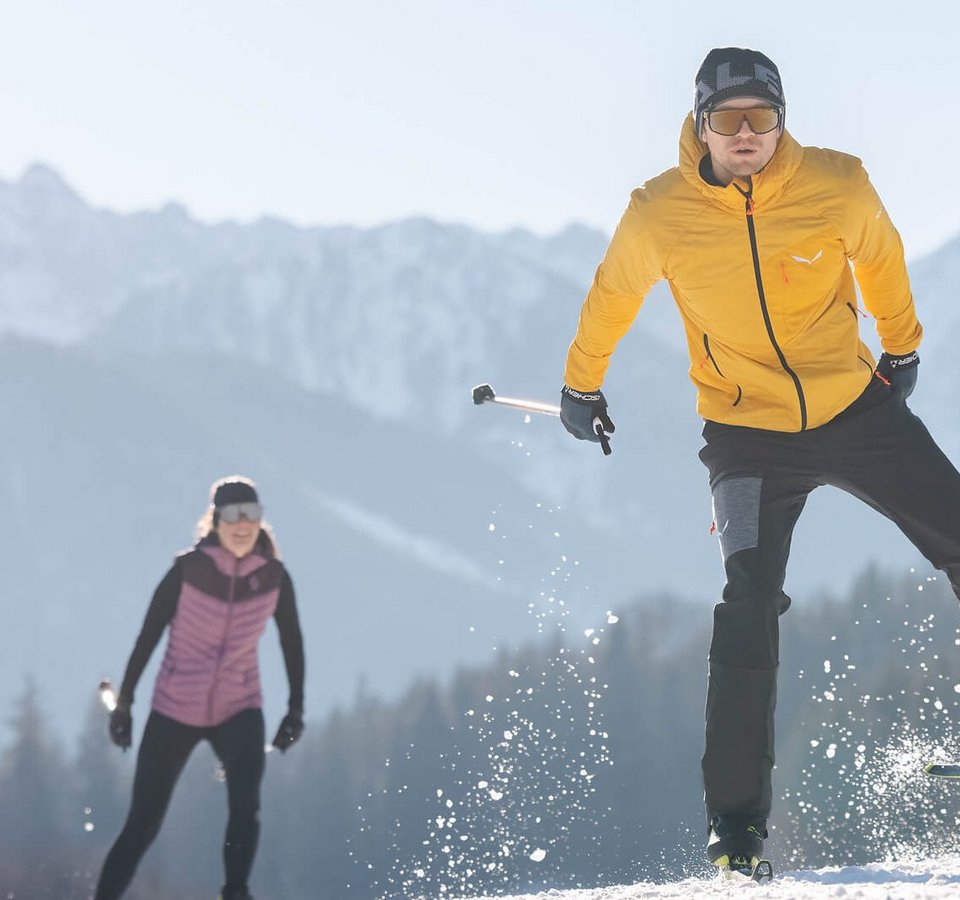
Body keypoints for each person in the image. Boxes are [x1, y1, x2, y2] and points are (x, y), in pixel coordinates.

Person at [559, 47, 960, 875]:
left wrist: (904, 348)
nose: (746, 135)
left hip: (855, 408)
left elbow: (881, 256)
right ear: (700, 125)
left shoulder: (837, 184)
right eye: (728, 119)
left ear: (782, 122)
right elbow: (613, 295)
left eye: (762, 118)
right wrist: (581, 386)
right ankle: (736, 830)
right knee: (746, 603)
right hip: (744, 435)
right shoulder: (658, 212)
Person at [94, 476, 306, 900]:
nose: (243, 524)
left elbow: (291, 642)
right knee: (143, 824)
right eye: (233, 514)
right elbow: (148, 635)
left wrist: (295, 710)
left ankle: (235, 893)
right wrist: (126, 705)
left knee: (246, 808)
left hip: (239, 706)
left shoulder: (274, 578)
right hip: (175, 708)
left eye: (252, 514)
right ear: (215, 520)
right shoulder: (187, 570)